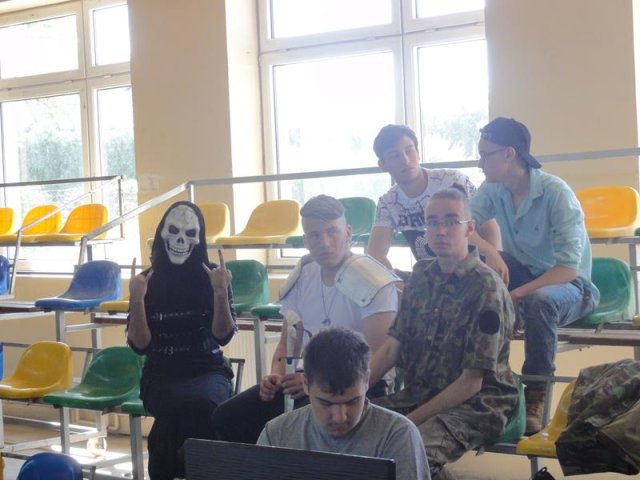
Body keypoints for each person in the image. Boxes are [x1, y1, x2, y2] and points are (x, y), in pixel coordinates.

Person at [212, 194, 399, 444]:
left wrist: (317, 386)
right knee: (227, 417)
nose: (325, 242)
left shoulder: (373, 280)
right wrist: (276, 376)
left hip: (355, 387)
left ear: (348, 232)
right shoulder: (304, 274)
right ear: (306, 240)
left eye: (332, 232)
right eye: (315, 235)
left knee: (294, 432)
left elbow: (382, 356)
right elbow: (287, 342)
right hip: (308, 380)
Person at [369, 187, 519, 480]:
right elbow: (391, 348)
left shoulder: (486, 288)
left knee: (410, 453)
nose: (440, 230)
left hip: (478, 405)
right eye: (433, 222)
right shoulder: (420, 277)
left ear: (469, 229)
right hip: (419, 394)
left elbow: (471, 383)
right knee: (348, 431)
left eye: (451, 221)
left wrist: (407, 423)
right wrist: (352, 396)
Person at [469, 117, 599, 433]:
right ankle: (480, 384)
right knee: (477, 278)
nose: (480, 163)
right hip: (525, 273)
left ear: (509, 154)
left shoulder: (556, 193)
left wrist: (517, 294)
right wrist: (490, 250)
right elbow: (464, 226)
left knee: (540, 300)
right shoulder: (493, 189)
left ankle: (536, 394)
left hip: (570, 285)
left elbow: (568, 269)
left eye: (485, 155)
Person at [127, 201, 237, 480]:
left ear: (199, 240)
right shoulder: (145, 281)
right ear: (162, 234)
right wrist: (137, 299)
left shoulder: (215, 276)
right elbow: (140, 345)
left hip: (208, 370)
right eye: (173, 231)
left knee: (202, 403)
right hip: (161, 373)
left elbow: (223, 336)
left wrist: (220, 293)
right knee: (176, 405)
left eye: (189, 234)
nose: (180, 241)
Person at [258, 327, 430, 480]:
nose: (340, 417)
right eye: (326, 403)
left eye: (353, 401)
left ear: (366, 381)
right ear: (305, 384)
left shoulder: (398, 435)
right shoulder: (277, 435)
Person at [367, 124, 505, 281]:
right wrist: (395, 283)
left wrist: (495, 257)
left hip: (475, 272)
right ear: (382, 165)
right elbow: (375, 253)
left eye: (409, 151)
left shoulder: (452, 180)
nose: (405, 160)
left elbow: (489, 225)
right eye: (395, 155)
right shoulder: (388, 202)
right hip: (433, 278)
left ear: (418, 153)